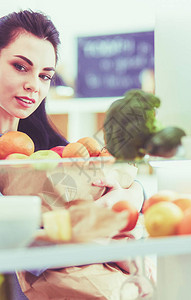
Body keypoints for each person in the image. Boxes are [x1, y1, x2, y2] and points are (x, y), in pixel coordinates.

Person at [0, 9, 145, 299]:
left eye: (44, 75)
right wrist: (109, 248)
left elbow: (109, 190)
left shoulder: (52, 148)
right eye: (20, 66)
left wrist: (132, 194)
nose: (34, 85)